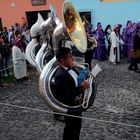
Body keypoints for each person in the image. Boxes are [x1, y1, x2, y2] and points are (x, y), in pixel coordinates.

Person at [54, 47, 89, 140]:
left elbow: (76, 81)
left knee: (76, 129)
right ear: (62, 60)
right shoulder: (60, 75)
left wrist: (84, 77)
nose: (73, 59)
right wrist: (81, 88)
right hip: (71, 108)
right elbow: (67, 94)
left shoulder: (71, 68)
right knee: (70, 131)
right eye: (70, 57)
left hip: (77, 106)